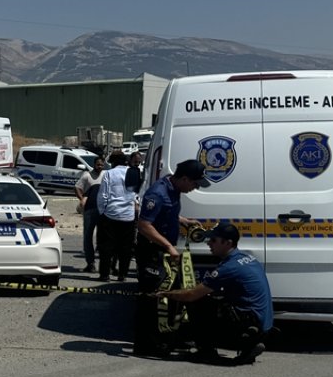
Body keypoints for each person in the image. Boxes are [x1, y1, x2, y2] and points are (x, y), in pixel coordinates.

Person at [155, 223, 272, 365]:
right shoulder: (248, 259)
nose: (208, 243)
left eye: (213, 240)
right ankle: (249, 344)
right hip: (261, 326)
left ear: (228, 243)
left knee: (195, 302)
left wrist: (166, 294)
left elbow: (191, 295)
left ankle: (208, 351)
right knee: (210, 300)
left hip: (247, 325)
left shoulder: (228, 268)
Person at [134, 158, 210, 356]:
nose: (195, 188)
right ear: (184, 178)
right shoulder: (157, 193)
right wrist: (168, 245)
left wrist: (183, 220)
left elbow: (165, 213)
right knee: (151, 297)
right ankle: (146, 344)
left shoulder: (174, 189)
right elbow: (144, 225)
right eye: (194, 184)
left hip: (166, 250)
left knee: (175, 294)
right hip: (152, 251)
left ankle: (171, 338)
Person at [96, 152, 136, 282]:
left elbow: (103, 195)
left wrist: (102, 212)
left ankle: (105, 275)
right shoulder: (134, 173)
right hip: (128, 216)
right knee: (126, 248)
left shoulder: (109, 173)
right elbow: (138, 194)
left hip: (111, 214)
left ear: (113, 163)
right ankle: (122, 274)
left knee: (106, 247)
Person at [75, 156, 105, 273]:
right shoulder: (87, 175)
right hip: (89, 210)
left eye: (102, 165)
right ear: (94, 164)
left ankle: (106, 265)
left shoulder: (105, 175)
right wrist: (82, 199)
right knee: (88, 237)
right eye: (98, 165)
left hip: (102, 210)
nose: (100, 167)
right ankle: (90, 263)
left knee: (103, 238)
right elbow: (77, 188)